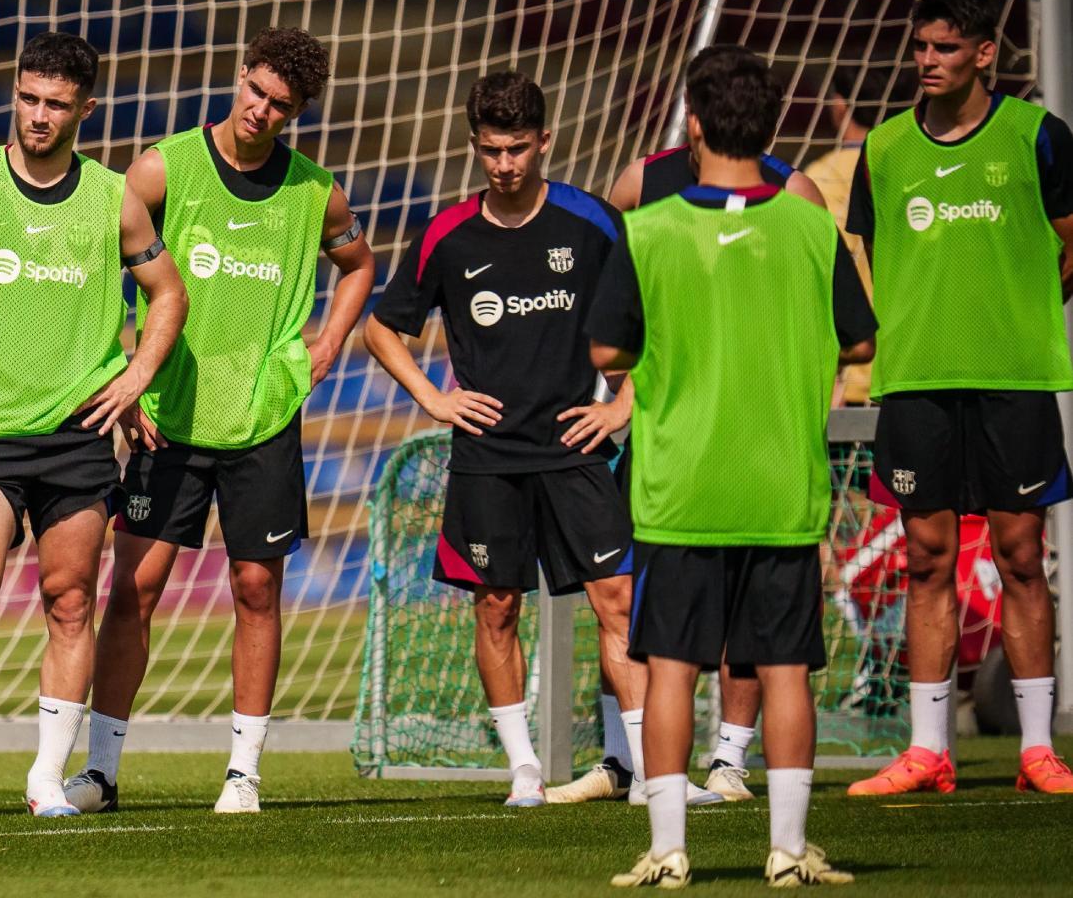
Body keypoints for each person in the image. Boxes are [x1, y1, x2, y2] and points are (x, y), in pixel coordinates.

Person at [70, 26, 376, 814]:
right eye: (255, 91)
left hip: (263, 417)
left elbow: (358, 264)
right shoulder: (162, 168)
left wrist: (328, 343)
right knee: (133, 591)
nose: (261, 111)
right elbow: (104, 276)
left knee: (255, 589)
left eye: (280, 105)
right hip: (166, 419)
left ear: (298, 111)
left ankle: (243, 773)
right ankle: (101, 770)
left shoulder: (315, 191)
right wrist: (125, 379)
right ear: (240, 76)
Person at [592, 45, 874, 887]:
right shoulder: (808, 223)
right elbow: (860, 338)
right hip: (782, 478)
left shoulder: (648, 232)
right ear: (771, 125)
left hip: (680, 482)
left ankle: (669, 850)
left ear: (694, 124)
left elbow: (608, 345)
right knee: (784, 667)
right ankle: (787, 851)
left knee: (672, 664)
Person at [0, 32, 187, 818]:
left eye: (56, 104)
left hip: (76, 438)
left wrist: (137, 376)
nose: (37, 115)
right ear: (14, 93)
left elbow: (169, 293)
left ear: (84, 109)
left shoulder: (114, 197)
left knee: (71, 602)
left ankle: (44, 782)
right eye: (28, 97)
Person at [363, 71, 643, 809]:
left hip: (578, 449)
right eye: (491, 150)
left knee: (618, 599)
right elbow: (382, 326)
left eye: (519, 148)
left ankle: (648, 767)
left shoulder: (594, 222)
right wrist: (432, 397)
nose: (505, 164)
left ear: (545, 142)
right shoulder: (447, 234)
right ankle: (522, 767)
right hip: (487, 457)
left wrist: (622, 409)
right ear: (475, 148)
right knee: (497, 605)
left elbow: (658, 321)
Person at [559, 44, 830, 806]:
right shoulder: (641, 186)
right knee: (643, 611)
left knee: (725, 634)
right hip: (675, 436)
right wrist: (626, 399)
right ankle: (632, 764)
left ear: (695, 112)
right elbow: (612, 304)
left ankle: (726, 763)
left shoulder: (798, 194)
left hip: (750, 441)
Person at [845, 0, 1073, 797]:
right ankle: (928, 751)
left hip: (1014, 382)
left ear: (985, 55)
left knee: (1019, 554)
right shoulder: (884, 149)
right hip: (916, 386)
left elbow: (1070, 245)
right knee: (927, 559)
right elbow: (872, 261)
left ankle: (1038, 750)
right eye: (920, 48)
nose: (928, 62)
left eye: (945, 48)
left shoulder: (1038, 137)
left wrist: (1020, 316)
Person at [804, 66, 886, 405]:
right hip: (904, 369)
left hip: (844, 380)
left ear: (840, 105)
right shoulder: (903, 167)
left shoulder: (817, 179)